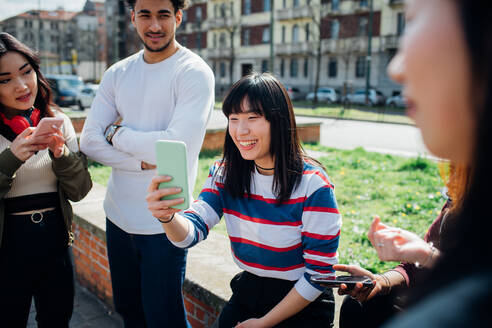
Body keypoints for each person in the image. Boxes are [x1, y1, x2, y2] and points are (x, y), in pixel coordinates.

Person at [147, 72, 342, 328]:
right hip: (249, 288)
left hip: (304, 301)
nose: (241, 130)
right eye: (233, 119)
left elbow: (319, 274)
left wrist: (263, 323)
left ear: (278, 120)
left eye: (253, 117)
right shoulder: (225, 173)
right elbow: (189, 234)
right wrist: (167, 217)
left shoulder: (313, 185)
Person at [350, 0, 491, 326]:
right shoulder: (463, 186)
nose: (395, 68)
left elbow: (434, 261)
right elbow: (428, 264)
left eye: (414, 19)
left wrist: (422, 253)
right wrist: (381, 281)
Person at [79, 0, 215, 326]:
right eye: (145, 15)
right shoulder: (118, 72)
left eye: (163, 15)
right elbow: (88, 141)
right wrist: (141, 163)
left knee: (164, 319)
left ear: (178, 17)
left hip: (164, 221)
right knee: (129, 313)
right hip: (117, 216)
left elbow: (176, 145)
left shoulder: (193, 72)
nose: (154, 25)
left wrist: (118, 134)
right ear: (133, 18)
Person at [0, 32, 92, 327]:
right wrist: (11, 158)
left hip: (54, 241)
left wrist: (61, 153)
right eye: (5, 79)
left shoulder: (59, 121)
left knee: (57, 319)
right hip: (7, 246)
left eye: (26, 72)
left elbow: (79, 190)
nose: (21, 85)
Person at [334, 163, 469, 328]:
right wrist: (380, 282)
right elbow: (414, 268)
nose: (450, 179)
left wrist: (426, 255)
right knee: (358, 305)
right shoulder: (456, 201)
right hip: (440, 299)